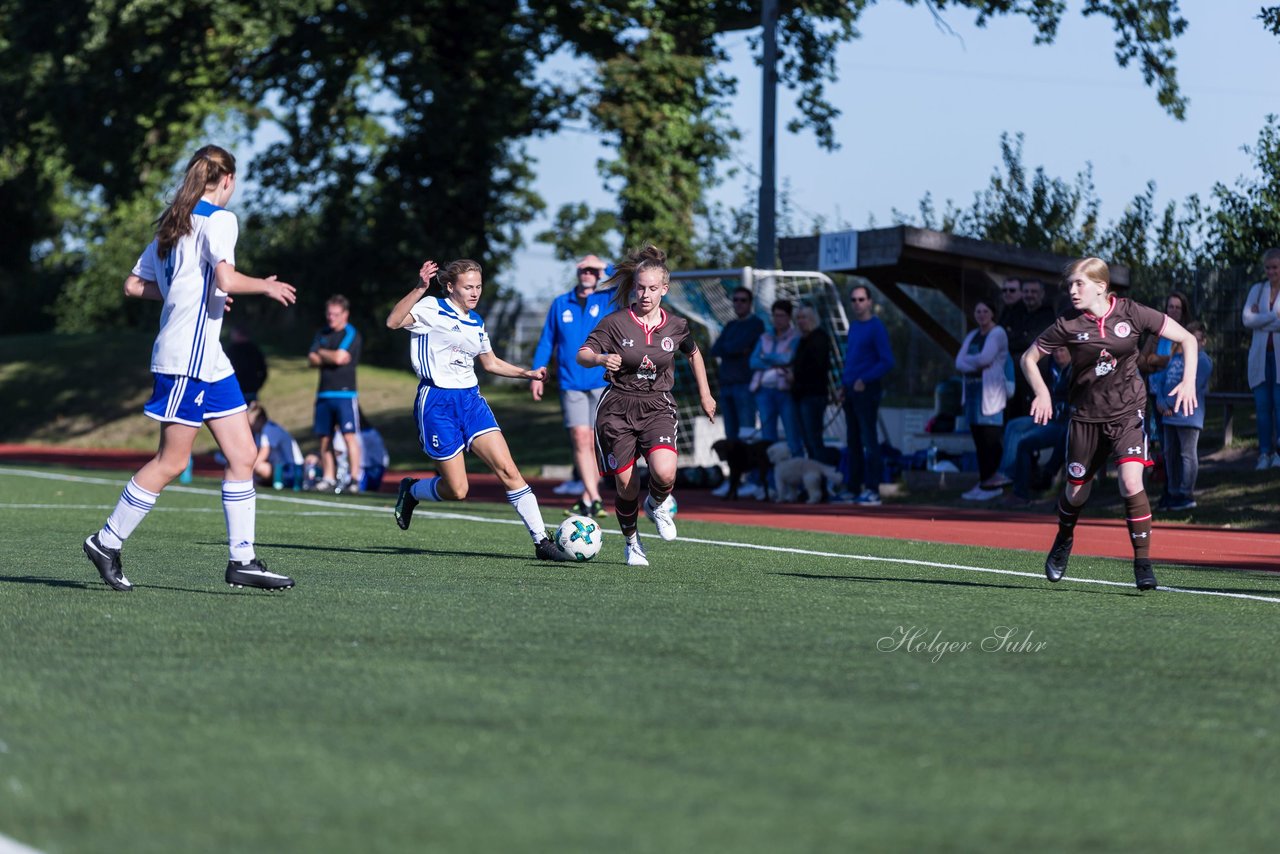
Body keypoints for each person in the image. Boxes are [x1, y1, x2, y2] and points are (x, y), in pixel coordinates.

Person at [81, 144, 297, 592]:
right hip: (187, 358)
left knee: (244, 455)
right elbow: (225, 278)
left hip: (209, 359)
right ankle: (107, 540)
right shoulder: (220, 220)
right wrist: (265, 286)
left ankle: (243, 561)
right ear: (228, 180)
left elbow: (134, 284)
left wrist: (189, 293)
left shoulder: (174, 223)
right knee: (171, 460)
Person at [1022, 256, 1199, 591]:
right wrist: (1041, 392)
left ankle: (1143, 563)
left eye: (1080, 283)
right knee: (1076, 493)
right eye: (1070, 284)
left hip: (1128, 411)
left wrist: (1188, 381)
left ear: (1101, 287)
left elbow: (1188, 340)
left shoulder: (1131, 312)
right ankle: (1064, 537)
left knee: (1131, 482)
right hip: (1086, 418)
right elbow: (1028, 358)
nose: (1073, 290)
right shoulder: (1068, 324)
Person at [388, 258, 565, 561]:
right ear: (450, 287)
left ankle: (542, 542)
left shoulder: (476, 321)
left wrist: (527, 374)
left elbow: (490, 363)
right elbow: (393, 322)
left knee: (508, 470)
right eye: (468, 287)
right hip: (437, 402)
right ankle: (412, 490)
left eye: (478, 286)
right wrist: (419, 288)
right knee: (457, 489)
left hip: (471, 401)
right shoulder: (431, 307)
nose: (474, 292)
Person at [576, 244, 717, 566]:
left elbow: (693, 352)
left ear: (664, 290)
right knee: (626, 486)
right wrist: (599, 357)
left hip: (657, 405)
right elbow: (581, 354)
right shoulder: (616, 322)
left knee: (665, 472)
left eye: (653, 288)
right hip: (617, 408)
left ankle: (656, 504)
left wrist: (705, 395)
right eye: (640, 287)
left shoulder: (676, 325)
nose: (645, 294)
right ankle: (632, 542)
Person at [530, 254, 614, 517]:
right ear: (577, 272)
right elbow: (547, 341)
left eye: (593, 270)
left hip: (599, 380)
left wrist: (605, 267)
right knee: (580, 438)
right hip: (571, 381)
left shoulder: (607, 299)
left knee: (596, 441)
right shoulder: (560, 303)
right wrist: (537, 372)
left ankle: (588, 497)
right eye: (584, 269)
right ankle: (595, 496)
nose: (588, 274)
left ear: (599, 274)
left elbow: (632, 280)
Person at [991, 348, 1072, 504]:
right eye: (1055, 351)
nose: (1058, 355)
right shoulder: (1051, 366)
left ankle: (1020, 493)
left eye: (1062, 351)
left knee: (1025, 444)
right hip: (1048, 416)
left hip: (1063, 422)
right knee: (1014, 426)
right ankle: (1006, 474)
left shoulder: (1075, 370)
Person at [840, 284, 895, 505]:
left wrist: (866, 379)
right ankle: (853, 488)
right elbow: (851, 360)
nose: (857, 304)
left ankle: (873, 489)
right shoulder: (853, 327)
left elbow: (887, 361)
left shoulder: (876, 327)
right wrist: (844, 385)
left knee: (869, 441)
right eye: (853, 300)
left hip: (867, 391)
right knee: (852, 441)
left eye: (861, 299)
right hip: (851, 391)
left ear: (870, 302)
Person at [955, 297, 1009, 501]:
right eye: (978, 311)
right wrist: (974, 364)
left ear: (992, 313)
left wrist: (973, 362)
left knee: (990, 441)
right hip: (972, 394)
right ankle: (983, 481)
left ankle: (993, 484)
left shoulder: (998, 333)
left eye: (985, 311)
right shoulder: (973, 335)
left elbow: (986, 359)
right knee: (978, 442)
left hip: (990, 395)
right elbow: (959, 361)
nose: (981, 315)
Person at [308, 295, 362, 492]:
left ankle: (354, 479)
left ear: (345, 314)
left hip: (345, 394)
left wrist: (322, 353)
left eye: (336, 314)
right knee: (324, 438)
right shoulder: (322, 333)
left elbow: (340, 357)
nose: (331, 318)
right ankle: (329, 477)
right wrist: (324, 355)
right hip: (324, 394)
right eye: (329, 314)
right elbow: (311, 358)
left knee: (349, 436)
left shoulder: (351, 333)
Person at [1157, 321, 1212, 510]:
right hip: (1168, 415)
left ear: (1203, 341)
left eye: (1197, 340)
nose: (1193, 344)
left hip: (1188, 415)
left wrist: (1169, 404)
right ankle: (1172, 492)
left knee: (1187, 454)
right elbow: (1164, 380)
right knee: (1169, 453)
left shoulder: (1203, 360)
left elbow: (1192, 386)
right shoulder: (1176, 358)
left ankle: (1186, 494)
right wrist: (1161, 402)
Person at [1140, 290, 1194, 455]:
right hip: (1154, 390)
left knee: (1176, 437)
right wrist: (1157, 362)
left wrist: (1154, 359)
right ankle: (1165, 473)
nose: (1174, 310)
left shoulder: (1185, 336)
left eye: (1178, 307)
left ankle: (1177, 475)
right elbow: (1141, 361)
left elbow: (1172, 362)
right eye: (1171, 306)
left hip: (1175, 390)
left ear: (1183, 311)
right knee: (1161, 434)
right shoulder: (1155, 336)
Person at [750, 299, 804, 459]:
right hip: (764, 391)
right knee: (768, 436)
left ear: (789, 317)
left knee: (792, 434)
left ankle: (797, 475)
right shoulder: (765, 336)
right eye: (775, 316)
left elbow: (788, 358)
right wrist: (775, 360)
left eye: (782, 316)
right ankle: (770, 481)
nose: (778, 319)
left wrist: (766, 358)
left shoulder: (796, 337)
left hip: (785, 391)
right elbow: (753, 362)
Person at [710, 286, 766, 441]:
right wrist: (738, 349)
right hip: (726, 384)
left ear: (750, 303)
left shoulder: (756, 324)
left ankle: (749, 466)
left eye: (743, 300)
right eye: (735, 300)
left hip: (745, 385)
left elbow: (730, 347)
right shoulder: (731, 325)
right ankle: (736, 466)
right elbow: (715, 349)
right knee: (731, 436)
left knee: (746, 434)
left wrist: (732, 348)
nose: (739, 304)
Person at [1243, 248, 1280, 470]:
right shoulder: (1257, 290)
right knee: (1263, 407)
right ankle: (1264, 453)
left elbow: (1256, 321)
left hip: (1279, 360)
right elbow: (1247, 319)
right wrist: (1272, 316)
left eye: (1275, 267)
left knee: (1279, 405)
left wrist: (1260, 318)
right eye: (1268, 267)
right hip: (1259, 359)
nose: (1271, 271)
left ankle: (1278, 453)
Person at [791, 303, 838, 465]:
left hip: (813, 396)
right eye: (798, 318)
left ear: (812, 318)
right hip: (801, 395)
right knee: (808, 441)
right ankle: (813, 478)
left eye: (804, 317)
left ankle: (822, 479)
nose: (801, 321)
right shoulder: (801, 340)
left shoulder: (819, 338)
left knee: (814, 440)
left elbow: (816, 367)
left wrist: (794, 377)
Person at [1005, 279, 1056, 420]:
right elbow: (1005, 338)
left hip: (1037, 377)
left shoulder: (1047, 315)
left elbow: (1029, 341)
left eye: (1033, 292)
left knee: (1032, 418)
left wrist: (1016, 338)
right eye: (1026, 291)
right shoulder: (1017, 313)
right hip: (1015, 379)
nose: (1029, 295)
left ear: (1042, 294)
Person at [248, 402, 304, 489]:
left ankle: (280, 481)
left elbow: (264, 451)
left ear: (260, 419)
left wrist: (249, 469)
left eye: (251, 422)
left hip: (291, 468)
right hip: (279, 467)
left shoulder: (269, 428)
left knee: (260, 467)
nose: (250, 426)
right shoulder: (259, 432)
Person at [225, 325, 268, 402]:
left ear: (238, 335)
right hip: (251, 390)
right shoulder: (255, 350)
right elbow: (263, 370)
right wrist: (257, 385)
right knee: (251, 412)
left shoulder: (231, 351)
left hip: (235, 390)